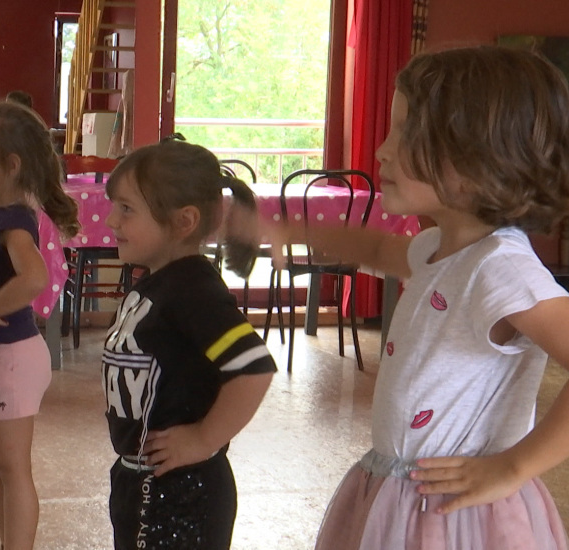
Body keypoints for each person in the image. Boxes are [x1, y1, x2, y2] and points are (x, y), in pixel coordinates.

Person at [233, 46, 569, 549]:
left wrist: (513, 467)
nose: (382, 150)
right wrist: (287, 226)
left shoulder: (500, 267)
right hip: (405, 495)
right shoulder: (439, 248)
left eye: (405, 133)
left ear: (477, 159)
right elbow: (373, 246)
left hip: (460, 515)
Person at [102, 139, 277, 549]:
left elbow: (253, 366)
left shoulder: (192, 289)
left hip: (183, 493)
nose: (111, 220)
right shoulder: (159, 283)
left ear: (183, 222)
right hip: (143, 482)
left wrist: (203, 438)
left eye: (126, 209)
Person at [0, 101, 80, 550]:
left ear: (10, 165)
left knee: (11, 467)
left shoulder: (14, 221)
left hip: (8, 357)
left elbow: (34, 277)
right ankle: (10, 540)